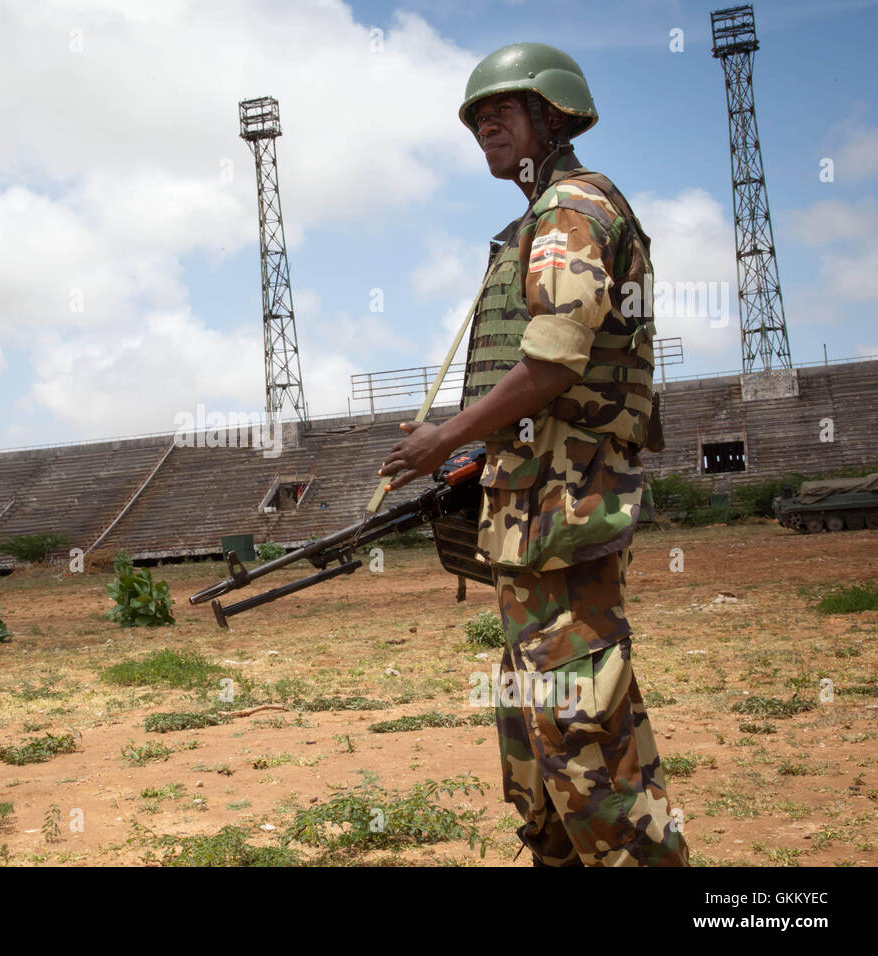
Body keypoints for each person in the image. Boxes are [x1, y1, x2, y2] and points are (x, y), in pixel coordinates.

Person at [379, 43, 688, 866]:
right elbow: (558, 390)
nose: (485, 126)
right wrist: (482, 458)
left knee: (579, 724)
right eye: (478, 117)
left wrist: (447, 435)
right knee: (532, 723)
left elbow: (555, 360)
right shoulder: (540, 215)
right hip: (534, 506)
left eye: (502, 111)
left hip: (564, 512)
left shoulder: (570, 211)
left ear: (552, 115)